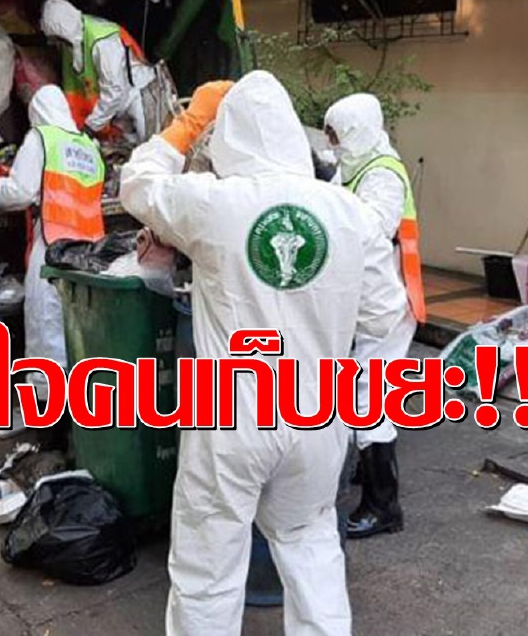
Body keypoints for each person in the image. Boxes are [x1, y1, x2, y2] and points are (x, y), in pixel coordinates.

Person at [121, 72, 408, 636]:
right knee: (311, 544)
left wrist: (187, 124)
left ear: (230, 136)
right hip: (316, 413)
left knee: (209, 566)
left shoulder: (212, 202)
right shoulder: (350, 212)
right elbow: (382, 316)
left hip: (231, 416)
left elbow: (139, 182)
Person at [323, 93, 427, 539]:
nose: (334, 145)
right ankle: (367, 471)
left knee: (368, 401)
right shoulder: (357, 165)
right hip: (368, 303)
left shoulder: (383, 174)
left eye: (338, 136)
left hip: (387, 306)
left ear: (359, 131)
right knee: (362, 395)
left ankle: (384, 507)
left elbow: (368, 230)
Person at [0, 85, 105, 368]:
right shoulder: (88, 147)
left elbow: (20, 192)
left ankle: (44, 391)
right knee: (80, 328)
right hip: (90, 250)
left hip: (52, 245)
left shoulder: (41, 138)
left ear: (36, 112)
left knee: (46, 324)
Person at [40, 0, 153, 142]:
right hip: (116, 109)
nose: (53, 43)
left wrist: (91, 126)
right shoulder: (74, 42)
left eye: (54, 39)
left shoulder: (103, 42)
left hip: (139, 95)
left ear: (61, 34)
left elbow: (115, 90)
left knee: (150, 145)